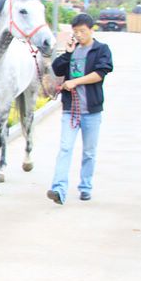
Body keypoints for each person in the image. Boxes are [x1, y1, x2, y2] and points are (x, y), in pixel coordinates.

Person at [46, 13, 113, 205]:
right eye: (76, 32)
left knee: (89, 152)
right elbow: (57, 70)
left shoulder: (101, 50)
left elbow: (100, 73)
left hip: (91, 111)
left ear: (92, 30)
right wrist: (67, 53)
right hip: (71, 110)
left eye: (82, 31)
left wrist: (75, 82)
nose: (79, 35)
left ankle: (85, 187)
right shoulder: (72, 51)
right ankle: (58, 189)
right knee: (65, 148)